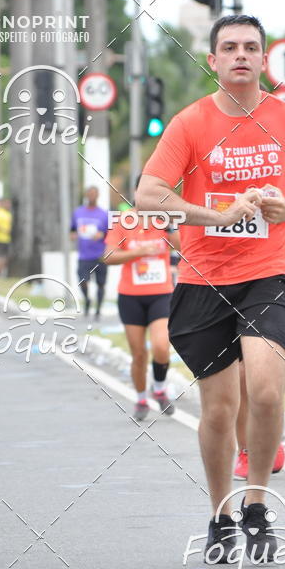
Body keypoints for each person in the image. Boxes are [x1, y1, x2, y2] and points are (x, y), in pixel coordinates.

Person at [137, 14, 285, 564]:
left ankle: (257, 503)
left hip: (268, 272)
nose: (240, 54)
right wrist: (213, 216)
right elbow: (149, 193)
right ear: (213, 60)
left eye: (251, 47)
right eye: (229, 47)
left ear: (264, 59)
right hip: (204, 280)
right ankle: (221, 513)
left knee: (266, 390)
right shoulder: (190, 123)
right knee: (218, 409)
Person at [233, 175, 285, 481]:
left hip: (276, 270)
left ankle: (269, 434)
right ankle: (246, 449)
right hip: (228, 271)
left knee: (266, 369)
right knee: (239, 372)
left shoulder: (282, 153)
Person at [103, 178, 180, 421]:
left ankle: (159, 389)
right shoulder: (123, 220)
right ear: (137, 192)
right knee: (138, 354)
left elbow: (183, 247)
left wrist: (170, 227)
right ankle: (141, 398)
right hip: (131, 296)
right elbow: (108, 255)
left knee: (161, 346)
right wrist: (138, 252)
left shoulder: (165, 220)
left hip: (161, 294)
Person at [71, 186, 109, 319]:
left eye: (94, 194)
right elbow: (72, 230)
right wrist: (73, 235)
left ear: (98, 195)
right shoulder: (78, 213)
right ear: (85, 195)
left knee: (101, 284)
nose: (91, 196)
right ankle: (87, 300)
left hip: (100, 255)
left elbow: (110, 234)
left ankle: (98, 309)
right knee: (82, 281)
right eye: (89, 194)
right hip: (84, 255)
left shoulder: (103, 214)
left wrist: (102, 234)